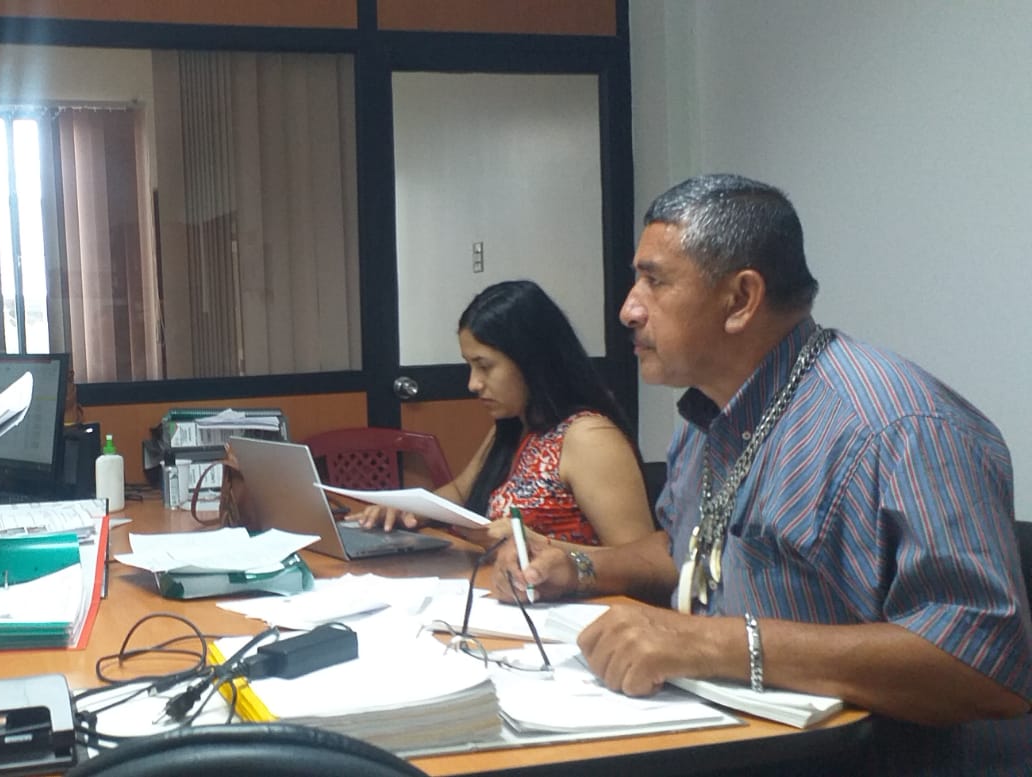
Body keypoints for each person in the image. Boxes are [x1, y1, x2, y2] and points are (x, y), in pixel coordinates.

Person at [502, 174, 1032, 774]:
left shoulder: (900, 427)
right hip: (715, 739)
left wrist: (710, 644)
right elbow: (691, 550)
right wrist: (578, 566)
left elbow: (984, 665)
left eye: (655, 281)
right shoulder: (708, 412)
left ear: (740, 299)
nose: (629, 308)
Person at [356, 280, 656, 563]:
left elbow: (639, 562)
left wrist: (535, 544)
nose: (473, 384)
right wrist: (407, 510)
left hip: (574, 598)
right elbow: (461, 492)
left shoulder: (589, 437)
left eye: (485, 366)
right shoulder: (516, 423)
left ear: (531, 360)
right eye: (470, 366)